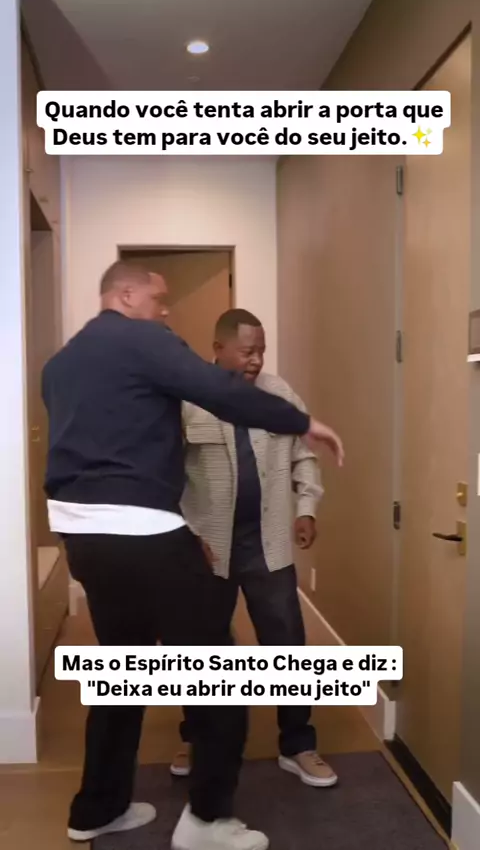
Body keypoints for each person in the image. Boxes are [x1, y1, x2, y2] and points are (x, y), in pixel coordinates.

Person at [42, 263, 344, 850]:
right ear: (125, 294)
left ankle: (96, 808)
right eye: (158, 299)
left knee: (123, 671)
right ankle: (207, 821)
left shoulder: (61, 364)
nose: (165, 311)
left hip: (83, 539)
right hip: (145, 531)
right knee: (219, 674)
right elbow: (220, 392)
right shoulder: (143, 340)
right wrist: (304, 423)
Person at [171, 309, 338, 789]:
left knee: (288, 647)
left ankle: (298, 745)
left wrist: (306, 508)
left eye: (261, 350)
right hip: (209, 548)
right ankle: (199, 738)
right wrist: (185, 535)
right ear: (218, 348)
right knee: (201, 650)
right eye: (247, 351)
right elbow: (168, 471)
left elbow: (304, 455)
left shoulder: (278, 394)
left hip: (268, 544)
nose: (256, 360)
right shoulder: (189, 399)